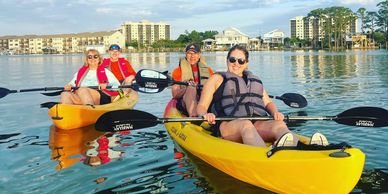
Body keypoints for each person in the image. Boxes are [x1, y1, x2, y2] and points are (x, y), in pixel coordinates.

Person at [197, 45, 328, 147]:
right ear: (227, 61)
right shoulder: (216, 79)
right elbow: (201, 106)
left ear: (246, 63)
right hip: (228, 126)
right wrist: (206, 114)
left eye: (241, 60)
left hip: (257, 123)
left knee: (279, 125)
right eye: (232, 59)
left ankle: (301, 148)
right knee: (246, 125)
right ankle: (264, 157)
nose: (236, 63)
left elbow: (267, 103)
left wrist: (275, 112)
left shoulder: (253, 80)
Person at [171, 43, 214, 117]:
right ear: (186, 54)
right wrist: (187, 87)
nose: (192, 56)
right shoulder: (178, 71)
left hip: (204, 101)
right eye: (189, 53)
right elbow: (175, 94)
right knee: (191, 88)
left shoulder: (208, 70)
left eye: (195, 53)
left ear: (199, 55)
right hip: (185, 102)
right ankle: (194, 116)